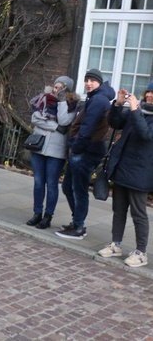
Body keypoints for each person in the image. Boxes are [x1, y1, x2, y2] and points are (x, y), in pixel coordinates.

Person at [97, 82, 153, 267]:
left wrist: (135, 109)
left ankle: (141, 252)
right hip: (122, 167)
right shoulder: (137, 111)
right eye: (149, 92)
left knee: (139, 214)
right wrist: (118, 104)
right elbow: (115, 123)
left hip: (141, 172)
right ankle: (116, 245)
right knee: (119, 210)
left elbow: (145, 134)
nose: (150, 95)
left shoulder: (139, 112)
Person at [55, 68, 115, 239]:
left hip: (86, 151)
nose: (88, 83)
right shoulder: (95, 98)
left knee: (78, 190)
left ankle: (79, 227)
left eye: (92, 80)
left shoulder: (98, 100)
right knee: (68, 187)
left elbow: (87, 128)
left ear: (99, 83)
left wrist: (76, 147)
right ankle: (77, 221)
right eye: (86, 80)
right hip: (83, 150)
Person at [26, 76, 78, 229]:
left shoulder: (71, 105)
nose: (56, 90)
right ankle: (37, 213)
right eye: (55, 86)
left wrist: (61, 101)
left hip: (56, 151)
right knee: (38, 182)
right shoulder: (43, 99)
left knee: (52, 184)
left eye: (60, 87)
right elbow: (35, 119)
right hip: (39, 146)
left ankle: (48, 216)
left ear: (66, 89)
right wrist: (54, 127)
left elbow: (63, 121)